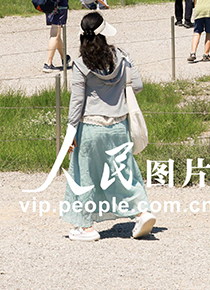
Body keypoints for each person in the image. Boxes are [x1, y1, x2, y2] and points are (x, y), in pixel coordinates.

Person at [62, 12, 155, 242]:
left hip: (91, 127)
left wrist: (70, 131)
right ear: (103, 34)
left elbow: (76, 101)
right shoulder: (122, 56)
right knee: (126, 173)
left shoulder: (81, 64)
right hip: (119, 126)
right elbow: (139, 85)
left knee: (85, 176)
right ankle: (142, 212)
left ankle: (86, 228)